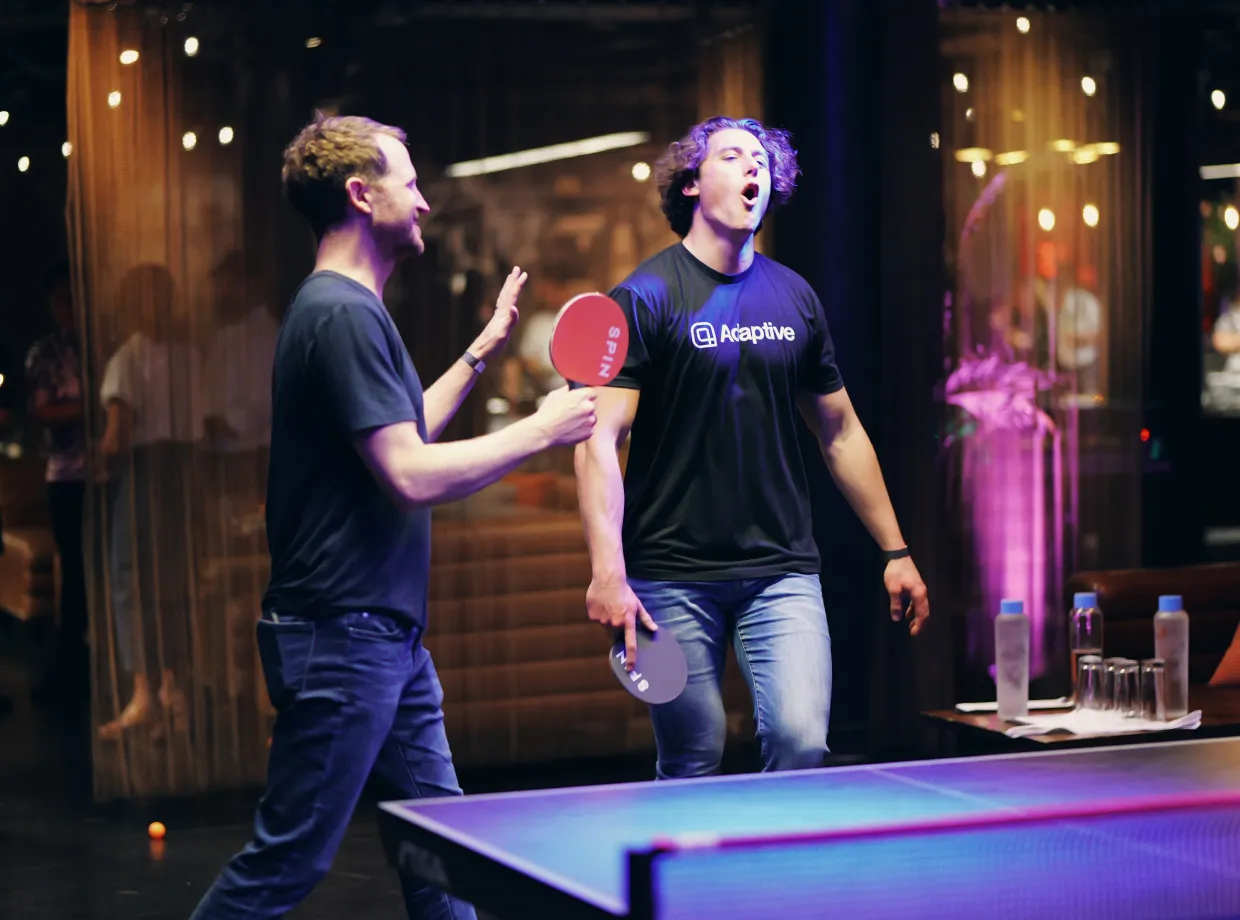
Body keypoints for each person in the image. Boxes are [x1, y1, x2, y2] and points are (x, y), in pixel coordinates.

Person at [189, 112, 597, 920]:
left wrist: (483, 351)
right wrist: (540, 430)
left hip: (384, 640)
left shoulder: (344, 310)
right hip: (343, 638)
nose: (423, 204)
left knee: (444, 853)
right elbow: (408, 475)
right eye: (409, 184)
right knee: (286, 864)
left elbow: (400, 429)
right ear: (359, 193)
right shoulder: (339, 314)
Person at [575, 116, 930, 780]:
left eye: (762, 161)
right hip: (668, 574)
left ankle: (768, 883)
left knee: (801, 744)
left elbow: (841, 431)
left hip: (781, 571)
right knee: (693, 752)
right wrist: (607, 572)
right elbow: (599, 439)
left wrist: (896, 551)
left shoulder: (795, 297)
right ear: (689, 184)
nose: (753, 169)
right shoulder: (645, 297)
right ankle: (687, 887)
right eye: (733, 156)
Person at [25, 261, 89, 701]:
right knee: (76, 566)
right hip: (66, 473)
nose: (67, 307)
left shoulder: (99, 344)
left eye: (73, 297)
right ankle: (71, 660)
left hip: (106, 472)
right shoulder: (45, 354)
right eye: (60, 299)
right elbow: (41, 410)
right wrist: (88, 413)